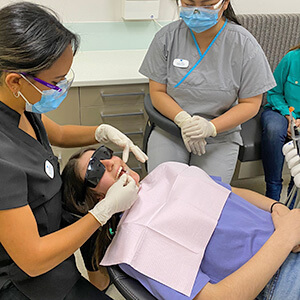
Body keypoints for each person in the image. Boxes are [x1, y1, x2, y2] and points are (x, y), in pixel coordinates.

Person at [0, 2, 147, 299]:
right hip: (27, 279)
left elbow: (61, 133)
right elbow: (33, 258)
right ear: (16, 80)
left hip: (56, 247)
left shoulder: (20, 106)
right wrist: (102, 211)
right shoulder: (3, 158)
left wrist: (100, 131)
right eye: (55, 82)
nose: (61, 88)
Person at [63, 145, 300, 300]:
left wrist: (278, 209)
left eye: (104, 154)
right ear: (97, 199)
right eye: (95, 169)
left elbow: (232, 191)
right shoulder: (133, 246)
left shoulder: (166, 171)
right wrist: (285, 238)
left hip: (286, 230)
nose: (110, 163)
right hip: (278, 277)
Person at [140, 0, 276, 183]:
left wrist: (210, 128)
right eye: (189, 3)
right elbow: (157, 92)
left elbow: (251, 103)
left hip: (220, 137)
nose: (196, 10)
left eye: (206, 4)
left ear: (225, 3)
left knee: (205, 197)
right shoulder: (167, 38)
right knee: (163, 190)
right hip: (170, 129)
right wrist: (183, 120)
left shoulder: (243, 44)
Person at [261, 43, 300, 201]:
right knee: (274, 130)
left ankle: (294, 192)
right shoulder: (291, 58)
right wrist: (288, 116)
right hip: (279, 111)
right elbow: (274, 92)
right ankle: (273, 189)